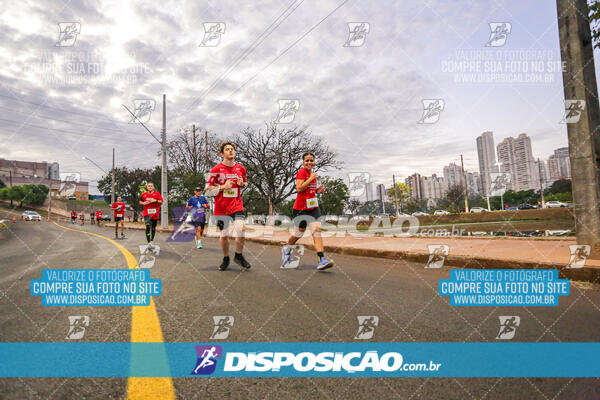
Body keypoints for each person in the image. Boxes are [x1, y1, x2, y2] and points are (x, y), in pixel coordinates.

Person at [281, 152, 334, 271]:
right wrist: (311, 178)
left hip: (313, 208)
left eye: (311, 160)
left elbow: (308, 190)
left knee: (317, 230)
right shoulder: (302, 172)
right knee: (298, 234)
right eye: (307, 160)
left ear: (314, 162)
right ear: (303, 162)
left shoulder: (312, 174)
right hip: (300, 209)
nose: (309, 162)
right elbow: (299, 188)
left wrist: (317, 190)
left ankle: (321, 260)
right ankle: (286, 249)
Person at [206, 142, 251, 271]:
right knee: (224, 235)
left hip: (237, 205)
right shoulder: (216, 169)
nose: (230, 151)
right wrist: (222, 187)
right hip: (221, 207)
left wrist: (243, 184)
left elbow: (245, 183)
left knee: (241, 228)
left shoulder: (241, 168)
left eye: (232, 149)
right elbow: (208, 190)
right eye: (227, 149)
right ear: (222, 154)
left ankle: (238, 255)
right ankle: (226, 258)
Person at [139, 182, 163, 248]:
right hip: (147, 213)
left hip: (155, 213)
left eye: (151, 186)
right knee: (148, 226)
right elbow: (140, 201)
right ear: (147, 187)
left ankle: (152, 240)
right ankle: (148, 242)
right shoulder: (144, 195)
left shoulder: (157, 194)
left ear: (153, 187)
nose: (150, 187)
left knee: (153, 228)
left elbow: (161, 202)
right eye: (149, 186)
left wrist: (155, 200)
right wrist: (143, 203)